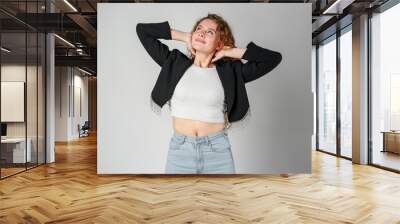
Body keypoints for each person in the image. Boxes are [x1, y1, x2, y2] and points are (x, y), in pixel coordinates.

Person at [136, 13, 282, 174]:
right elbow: (142, 30)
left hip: (217, 152)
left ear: (219, 43)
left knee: (221, 199)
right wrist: (185, 36)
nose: (201, 33)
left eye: (210, 32)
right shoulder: (174, 62)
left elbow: (273, 59)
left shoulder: (231, 72)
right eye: (199, 29)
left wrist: (230, 51)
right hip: (179, 151)